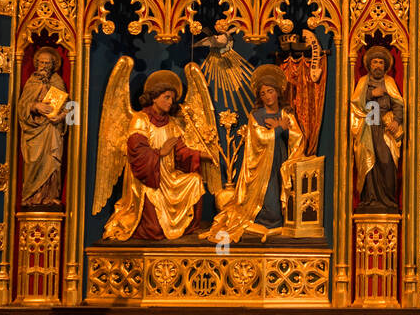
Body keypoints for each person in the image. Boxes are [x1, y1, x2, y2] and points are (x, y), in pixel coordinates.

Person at [102, 70, 212, 241]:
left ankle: (190, 227)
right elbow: (136, 150)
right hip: (149, 177)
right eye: (166, 97)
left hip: (169, 176)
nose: (170, 102)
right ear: (154, 97)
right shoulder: (141, 119)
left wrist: (202, 155)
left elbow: (181, 151)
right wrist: (160, 152)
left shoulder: (173, 123)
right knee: (153, 229)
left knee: (195, 181)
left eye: (172, 99)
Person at [203, 65, 305, 243]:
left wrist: (284, 133)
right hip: (261, 168)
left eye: (270, 91)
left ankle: (269, 226)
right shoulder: (256, 115)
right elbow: (260, 138)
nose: (267, 96)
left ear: (277, 93)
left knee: (277, 209)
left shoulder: (285, 113)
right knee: (268, 208)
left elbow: (297, 137)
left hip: (279, 164)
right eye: (263, 93)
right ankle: (258, 224)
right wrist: (279, 129)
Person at [350, 46, 404, 211]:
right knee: (368, 163)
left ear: (385, 65)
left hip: (385, 128)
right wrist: (371, 95)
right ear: (369, 65)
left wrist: (396, 121)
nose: (378, 65)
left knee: (386, 162)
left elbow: (398, 104)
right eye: (375, 62)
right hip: (367, 126)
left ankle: (388, 200)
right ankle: (369, 199)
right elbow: (355, 103)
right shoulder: (363, 82)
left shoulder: (389, 82)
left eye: (381, 62)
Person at [17, 46, 67, 207]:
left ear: (53, 65)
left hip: (52, 129)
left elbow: (70, 107)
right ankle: (32, 195)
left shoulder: (58, 82)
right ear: (36, 63)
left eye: (48, 63)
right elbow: (21, 107)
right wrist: (35, 106)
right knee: (34, 163)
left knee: (52, 162)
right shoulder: (31, 82)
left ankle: (50, 195)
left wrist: (61, 116)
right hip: (34, 132)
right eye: (41, 63)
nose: (44, 66)